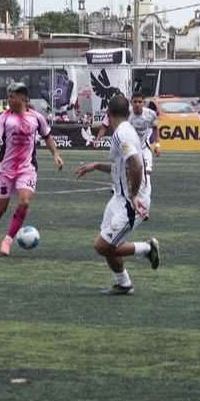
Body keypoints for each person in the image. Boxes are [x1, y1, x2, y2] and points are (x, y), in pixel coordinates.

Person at [74, 94, 161, 295]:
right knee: (106, 241)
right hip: (119, 198)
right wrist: (96, 166)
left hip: (131, 202)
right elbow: (121, 167)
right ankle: (123, 284)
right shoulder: (124, 131)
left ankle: (147, 249)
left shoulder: (122, 134)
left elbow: (137, 165)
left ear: (108, 114)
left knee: (102, 246)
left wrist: (133, 195)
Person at [0, 82, 64, 257]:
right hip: (6, 168)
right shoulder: (4, 117)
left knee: (24, 202)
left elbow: (48, 137)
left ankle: (8, 240)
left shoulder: (37, 117)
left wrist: (56, 155)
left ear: (22, 98)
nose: (8, 100)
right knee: (1, 207)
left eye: (11, 96)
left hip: (27, 168)